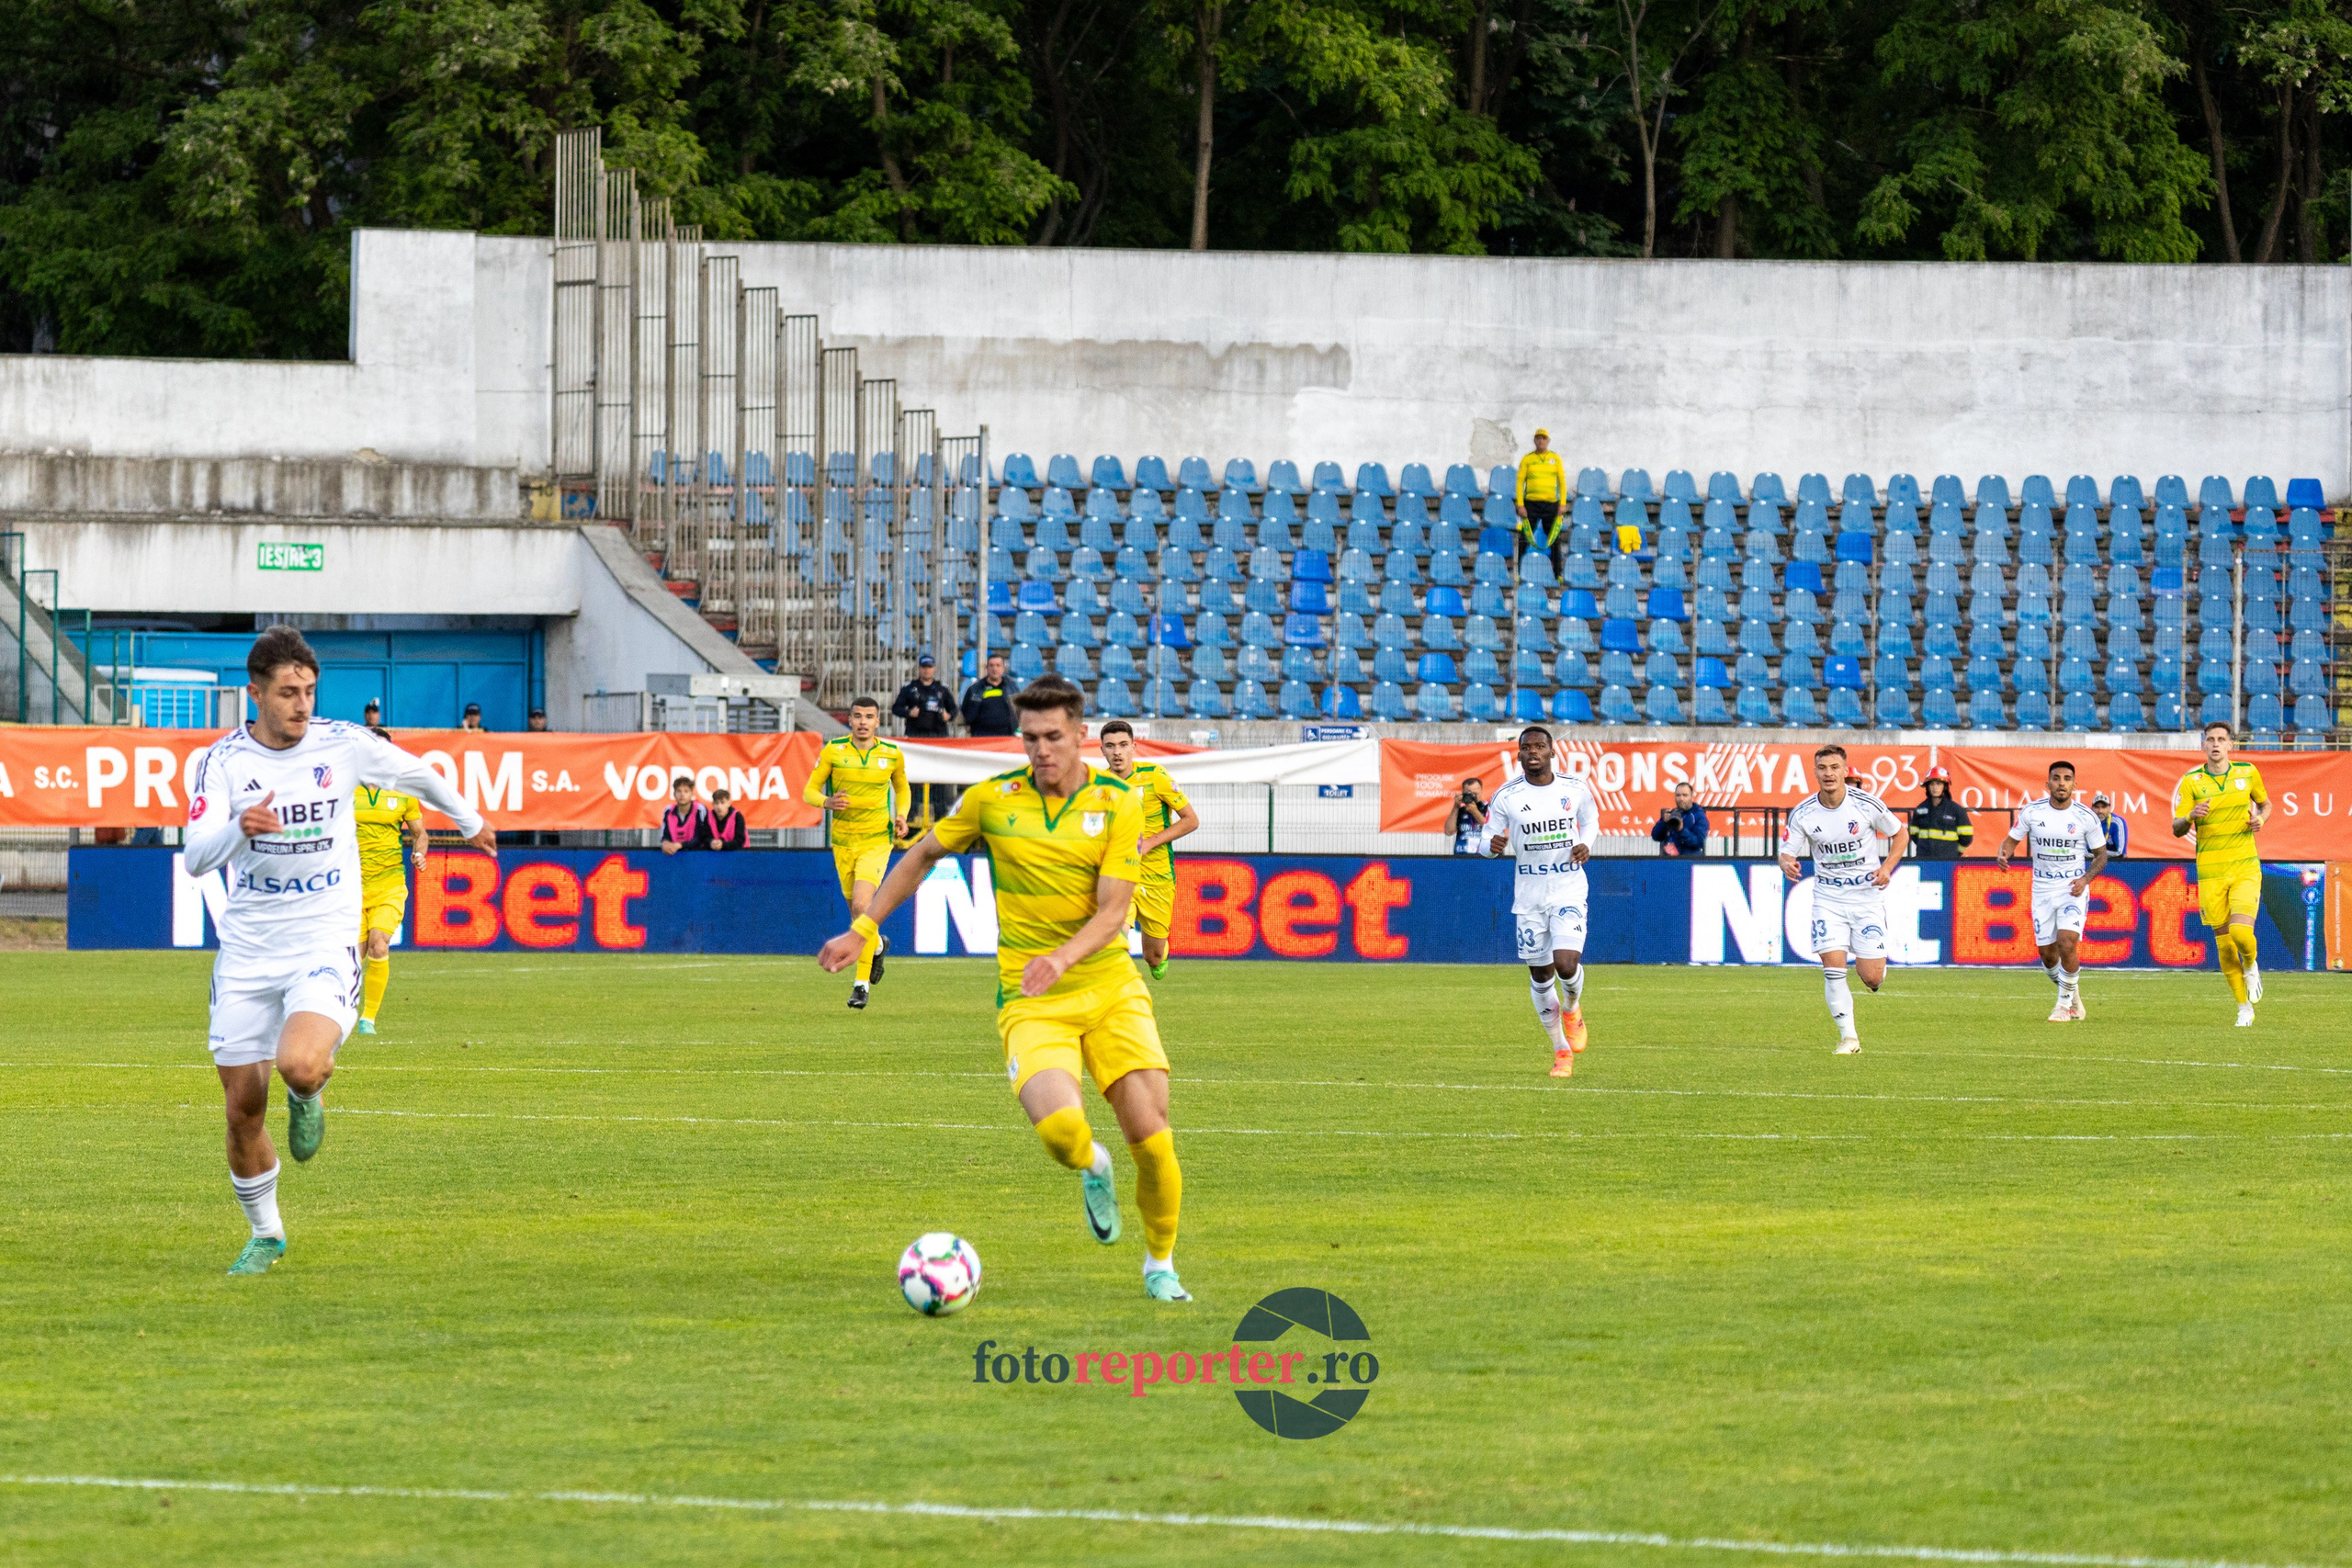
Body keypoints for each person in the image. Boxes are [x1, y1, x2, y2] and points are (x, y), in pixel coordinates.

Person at [819, 675, 1192, 1303]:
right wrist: (864, 926)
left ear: (1079, 736)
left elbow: (1113, 909)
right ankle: (1092, 1166)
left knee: (1153, 1137)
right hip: (1031, 998)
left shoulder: (1119, 802)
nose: (1041, 749)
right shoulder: (994, 799)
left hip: (1108, 988)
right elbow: (920, 855)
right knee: (1060, 1134)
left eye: (1053, 736)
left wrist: (1064, 956)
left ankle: (1160, 1264)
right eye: (1030, 737)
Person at [184, 626, 493, 1276]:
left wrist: (470, 822)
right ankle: (266, 1234)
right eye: (288, 692)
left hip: (323, 936)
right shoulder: (222, 763)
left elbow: (419, 774)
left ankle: (308, 1092)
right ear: (256, 693)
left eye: (309, 691)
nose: (302, 704)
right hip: (247, 950)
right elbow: (194, 856)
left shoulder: (342, 744)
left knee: (299, 1065)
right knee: (242, 1109)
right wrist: (240, 828)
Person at [1481, 727, 1600, 1077]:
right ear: (1518, 755)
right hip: (1530, 897)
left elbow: (1591, 820)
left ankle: (1573, 1006)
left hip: (1568, 889)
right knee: (1540, 974)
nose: (1533, 751)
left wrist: (1587, 844)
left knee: (1565, 964)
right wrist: (1490, 848)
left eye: (1540, 746)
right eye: (1526, 747)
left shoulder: (1574, 788)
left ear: (1551, 751)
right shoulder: (1506, 796)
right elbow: (1486, 840)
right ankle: (1561, 1051)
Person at [1778, 746, 1909, 1055]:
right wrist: (1786, 863)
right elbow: (1786, 852)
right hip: (1828, 899)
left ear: (1845, 770)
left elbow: (1900, 834)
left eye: (1835, 767)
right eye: (1822, 768)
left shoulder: (1865, 805)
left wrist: (1887, 867)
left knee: (1871, 978)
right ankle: (1849, 1038)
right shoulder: (1804, 813)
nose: (1828, 774)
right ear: (1815, 772)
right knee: (1833, 967)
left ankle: (1875, 971)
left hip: (1866, 898)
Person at [801, 697, 909, 1010]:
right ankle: (877, 946)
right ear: (849, 720)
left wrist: (901, 814)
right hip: (843, 842)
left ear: (878, 722)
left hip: (876, 841)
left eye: (869, 717)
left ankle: (860, 985)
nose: (863, 722)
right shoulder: (834, 751)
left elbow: (902, 788)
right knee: (857, 915)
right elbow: (809, 790)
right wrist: (827, 802)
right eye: (858, 716)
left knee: (863, 905)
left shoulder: (891, 754)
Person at [2172, 721, 2269, 1026]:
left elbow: (2265, 805)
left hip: (2245, 868)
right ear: (2203, 746)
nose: (2215, 744)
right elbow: (2177, 829)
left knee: (2241, 934)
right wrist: (2190, 815)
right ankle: (2244, 1008)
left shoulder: (2248, 772)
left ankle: (2252, 965)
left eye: (2221, 739)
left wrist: (2261, 821)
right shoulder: (2192, 782)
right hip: (2211, 874)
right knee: (2225, 946)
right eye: (2210, 739)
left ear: (2230, 745)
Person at [1997, 760, 2107, 1023]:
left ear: (2074, 785)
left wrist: (2085, 879)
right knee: (2047, 956)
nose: (2061, 783)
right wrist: (2004, 854)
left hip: (2072, 890)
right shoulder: (2032, 812)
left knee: (2067, 942)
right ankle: (2073, 995)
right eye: (2056, 778)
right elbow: (2011, 840)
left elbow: (2101, 855)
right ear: (2047, 784)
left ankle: (2062, 1005)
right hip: (2042, 891)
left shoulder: (2085, 816)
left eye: (2067, 779)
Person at [1097, 719, 1199, 980]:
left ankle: (1158, 957)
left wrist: (1150, 843)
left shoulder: (1155, 776)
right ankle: (1117, 992)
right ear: (1102, 751)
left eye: (1122, 745)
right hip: (1120, 874)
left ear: (1134, 747)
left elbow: (1191, 820)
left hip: (1158, 877)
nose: (1117, 752)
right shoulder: (1098, 785)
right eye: (1110, 746)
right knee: (1115, 935)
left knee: (1152, 956)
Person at [350, 730, 433, 1037]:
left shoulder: (403, 791)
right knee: (351, 957)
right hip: (350, 886)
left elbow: (420, 833)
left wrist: (419, 853)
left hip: (389, 883)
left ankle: (368, 1019)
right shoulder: (345, 788)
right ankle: (343, 1013)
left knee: (378, 943)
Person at [892, 652, 956, 824]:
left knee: (939, 778)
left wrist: (948, 716)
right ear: (919, 669)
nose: (927, 670)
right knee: (912, 778)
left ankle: (941, 817)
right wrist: (909, 712)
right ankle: (910, 816)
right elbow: (896, 708)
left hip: (938, 739)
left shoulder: (942, 690)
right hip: (916, 738)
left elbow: (955, 711)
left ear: (934, 669)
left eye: (929, 667)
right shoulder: (910, 689)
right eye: (924, 667)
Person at [1513, 428, 1569, 579]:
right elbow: (1520, 483)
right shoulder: (1527, 459)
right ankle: (1518, 572)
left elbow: (1562, 483)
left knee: (1554, 540)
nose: (1541, 441)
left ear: (1548, 441)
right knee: (1524, 538)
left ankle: (1557, 573)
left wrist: (1562, 504)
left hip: (1551, 505)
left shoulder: (1555, 459)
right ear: (1534, 440)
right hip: (1531, 504)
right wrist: (1520, 505)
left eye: (1544, 438)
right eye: (1538, 438)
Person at [1908, 766, 1973, 860]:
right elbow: (1914, 835)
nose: (1935, 788)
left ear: (1945, 786)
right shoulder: (1919, 809)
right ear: (1927, 786)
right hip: (1923, 860)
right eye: (1932, 784)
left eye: (1938, 784)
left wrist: (1954, 853)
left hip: (1947, 861)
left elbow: (1967, 838)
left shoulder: (1956, 810)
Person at [961, 653, 1016, 738]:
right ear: (987, 668)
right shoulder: (975, 689)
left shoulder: (1012, 688)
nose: (995, 669)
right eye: (991, 666)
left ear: (1003, 668)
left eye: (998, 665)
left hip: (1007, 737)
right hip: (982, 737)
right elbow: (966, 710)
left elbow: (1019, 709)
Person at [1650, 783, 1709, 856]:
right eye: (1678, 795)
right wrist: (1663, 823)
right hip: (1669, 860)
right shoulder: (1673, 814)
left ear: (1692, 796)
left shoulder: (1699, 816)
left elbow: (1698, 843)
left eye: (1685, 795)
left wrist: (1681, 830)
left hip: (1689, 861)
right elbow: (1655, 836)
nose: (1681, 799)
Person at [658, 778, 709, 855]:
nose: (682, 794)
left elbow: (701, 837)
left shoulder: (700, 809)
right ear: (674, 794)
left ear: (692, 794)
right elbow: (665, 835)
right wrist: (665, 844)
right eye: (679, 791)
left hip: (698, 856)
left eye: (686, 791)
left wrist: (680, 845)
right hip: (674, 856)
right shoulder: (668, 810)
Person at [1448, 777, 1489, 856]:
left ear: (1481, 791)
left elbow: (1491, 828)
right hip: (1462, 856)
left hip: (1483, 857)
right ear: (1463, 793)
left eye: (1476, 793)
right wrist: (1456, 807)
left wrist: (1475, 811)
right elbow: (1449, 831)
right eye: (1470, 794)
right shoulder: (1461, 811)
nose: (1473, 797)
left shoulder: (1490, 808)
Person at [707, 787, 747, 851]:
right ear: (713, 804)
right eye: (717, 803)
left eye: (722, 803)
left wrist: (723, 845)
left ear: (729, 803)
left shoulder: (737, 817)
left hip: (739, 854)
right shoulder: (708, 816)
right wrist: (711, 842)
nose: (719, 807)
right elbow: (704, 837)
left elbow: (740, 841)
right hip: (715, 855)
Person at [2092, 791, 2128, 859]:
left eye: (2103, 807)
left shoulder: (2117, 823)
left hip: (2115, 862)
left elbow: (2119, 852)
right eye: (2097, 807)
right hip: (2091, 862)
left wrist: (2097, 853)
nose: (2100, 811)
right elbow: (2083, 851)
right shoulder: (2087, 823)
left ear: (2109, 808)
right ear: (2092, 808)